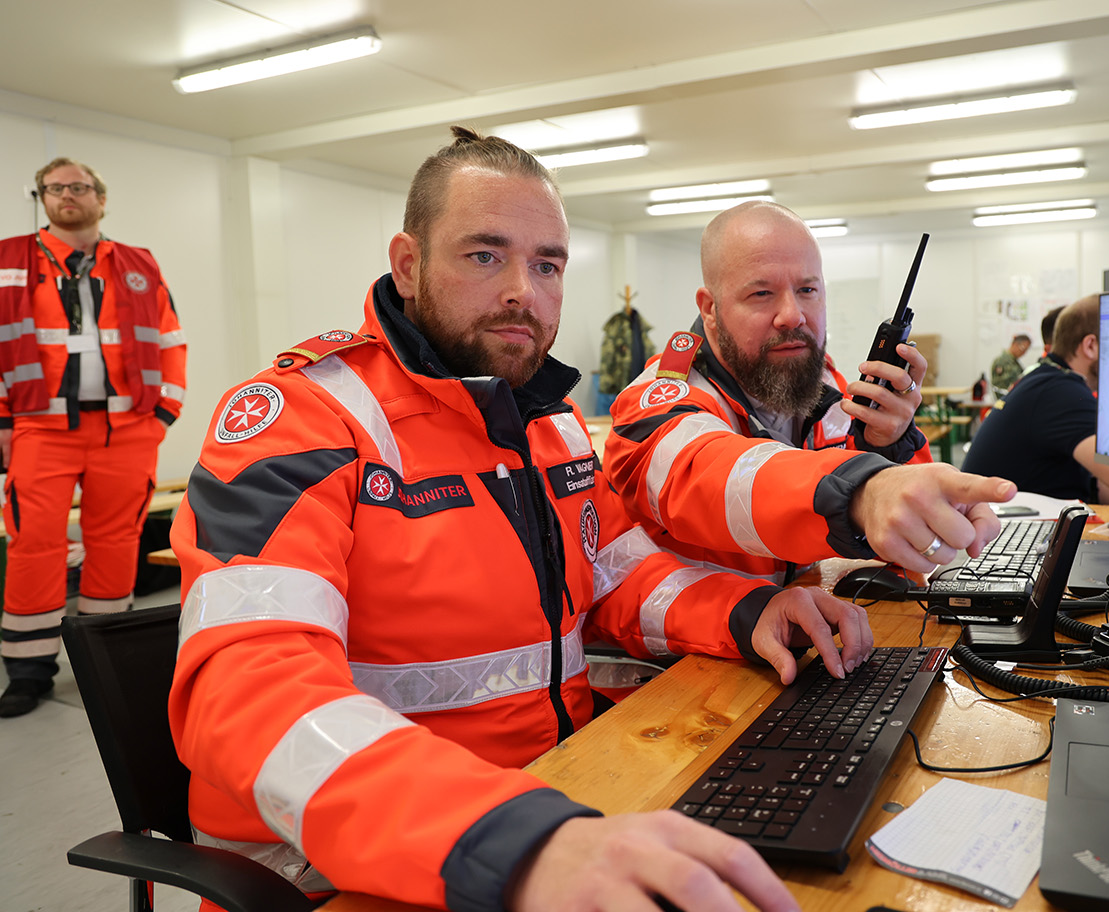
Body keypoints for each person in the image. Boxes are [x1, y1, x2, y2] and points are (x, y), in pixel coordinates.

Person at [168, 126, 874, 912]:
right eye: (484, 255)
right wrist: (514, 840)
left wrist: (750, 610)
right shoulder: (303, 421)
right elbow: (248, 691)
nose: (522, 292)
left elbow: (620, 575)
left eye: (546, 265)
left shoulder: (548, 422)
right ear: (408, 266)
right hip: (350, 868)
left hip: (553, 800)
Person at [603, 200, 1015, 584]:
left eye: (807, 290)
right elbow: (710, 476)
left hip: (807, 632)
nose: (793, 315)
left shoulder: (820, 381)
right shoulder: (660, 398)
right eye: (761, 293)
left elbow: (893, 540)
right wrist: (863, 492)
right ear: (710, 308)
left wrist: (890, 448)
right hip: (689, 656)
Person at [0, 157, 186, 718]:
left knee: (115, 542)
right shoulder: (9, 261)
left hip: (127, 429)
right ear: (42, 199)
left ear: (99, 199)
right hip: (41, 427)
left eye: (78, 186)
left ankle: (105, 658)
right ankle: (28, 672)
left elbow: (171, 337)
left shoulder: (136, 264)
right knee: (34, 544)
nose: (67, 196)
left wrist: (164, 415)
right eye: (54, 188)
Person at [962, 294, 1109, 503]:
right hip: (1011, 526)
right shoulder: (1060, 393)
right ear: (1090, 346)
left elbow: (1098, 482)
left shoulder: (1049, 378)